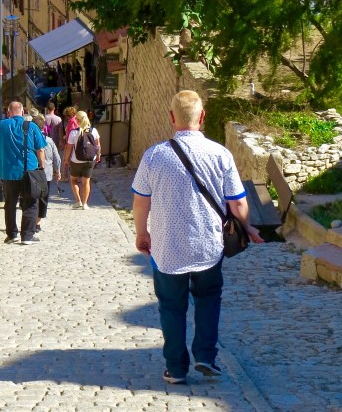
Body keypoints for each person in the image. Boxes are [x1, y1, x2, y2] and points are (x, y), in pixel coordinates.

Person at [131, 89, 263, 386]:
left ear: (171, 118)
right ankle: (205, 355)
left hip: (166, 249)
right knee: (208, 298)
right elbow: (238, 203)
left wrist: (142, 233)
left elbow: (141, 202)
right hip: (208, 245)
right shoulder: (220, 154)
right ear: (202, 118)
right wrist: (249, 227)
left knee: (171, 306)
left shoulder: (154, 155)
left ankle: (176, 368)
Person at [0, 99, 46, 245]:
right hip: (29, 170)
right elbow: (40, 149)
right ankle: (27, 235)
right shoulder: (32, 126)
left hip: (7, 172)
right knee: (31, 202)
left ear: (8, 113)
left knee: (10, 203)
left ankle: (12, 234)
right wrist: (42, 165)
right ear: (23, 112)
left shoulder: (0, 125)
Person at [62, 110, 101, 210]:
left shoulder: (74, 133)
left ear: (77, 121)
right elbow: (98, 145)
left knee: (74, 180)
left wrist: (66, 160)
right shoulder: (94, 131)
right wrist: (98, 155)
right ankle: (85, 204)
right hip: (90, 160)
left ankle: (78, 201)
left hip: (76, 161)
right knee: (86, 182)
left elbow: (69, 148)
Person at [33, 113, 61, 231]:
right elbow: (56, 157)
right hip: (46, 173)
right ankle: (37, 223)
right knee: (43, 198)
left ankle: (31, 221)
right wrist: (58, 171)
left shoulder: (29, 140)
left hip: (32, 173)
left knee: (32, 197)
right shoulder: (49, 141)